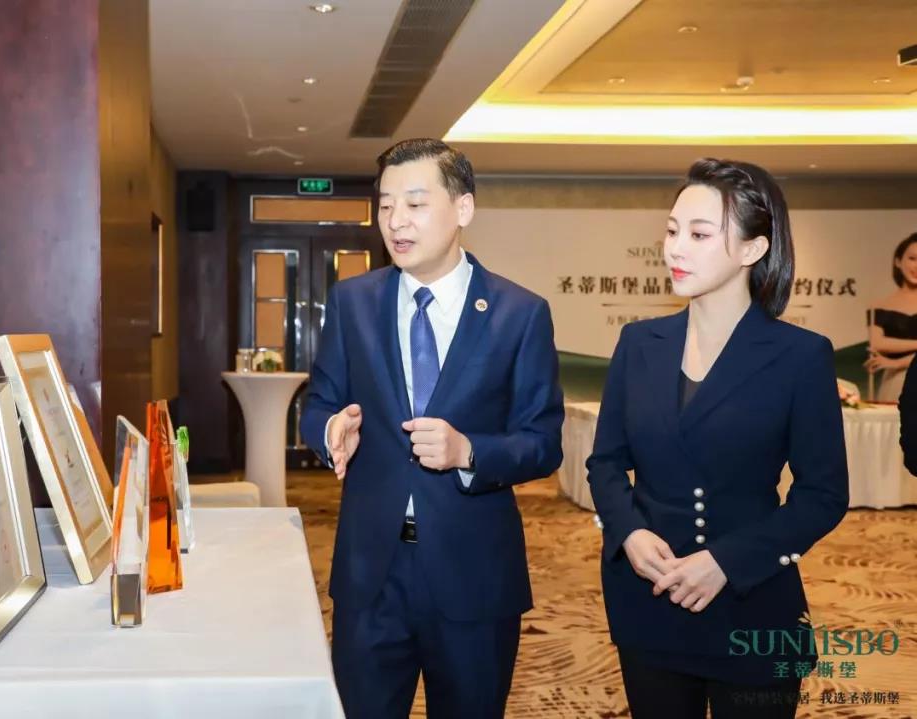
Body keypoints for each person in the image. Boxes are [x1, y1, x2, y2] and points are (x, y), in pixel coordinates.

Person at [300, 138, 564, 719]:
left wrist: (469, 451)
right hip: (372, 575)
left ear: (462, 208)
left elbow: (543, 443)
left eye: (416, 204)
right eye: (386, 205)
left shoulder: (519, 314)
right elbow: (318, 405)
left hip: (474, 576)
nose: (396, 221)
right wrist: (330, 429)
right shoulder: (352, 302)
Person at [587, 158, 849, 719]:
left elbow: (822, 495)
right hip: (650, 600)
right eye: (672, 231)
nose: (675, 249)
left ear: (753, 249)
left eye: (700, 235)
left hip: (751, 604)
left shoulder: (800, 356)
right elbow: (605, 462)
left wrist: (726, 562)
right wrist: (629, 532)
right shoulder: (639, 344)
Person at [866, 233, 917, 401]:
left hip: (896, 368)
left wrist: (897, 363)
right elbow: (877, 343)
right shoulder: (879, 305)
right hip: (894, 381)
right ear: (898, 261)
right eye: (912, 258)